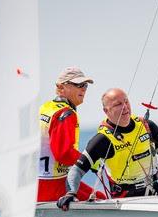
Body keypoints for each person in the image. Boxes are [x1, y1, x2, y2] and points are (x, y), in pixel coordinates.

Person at [57, 88, 158, 210]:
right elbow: (77, 170)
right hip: (124, 203)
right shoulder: (102, 140)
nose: (125, 107)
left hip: (154, 196)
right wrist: (71, 192)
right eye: (118, 104)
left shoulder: (147, 127)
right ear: (106, 111)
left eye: (126, 101)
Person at [37, 66, 106, 202]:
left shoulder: (45, 107)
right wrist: (89, 161)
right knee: (101, 199)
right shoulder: (66, 114)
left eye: (85, 85)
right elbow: (63, 154)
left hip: (35, 184)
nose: (83, 89)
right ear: (61, 87)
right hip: (53, 185)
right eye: (78, 84)